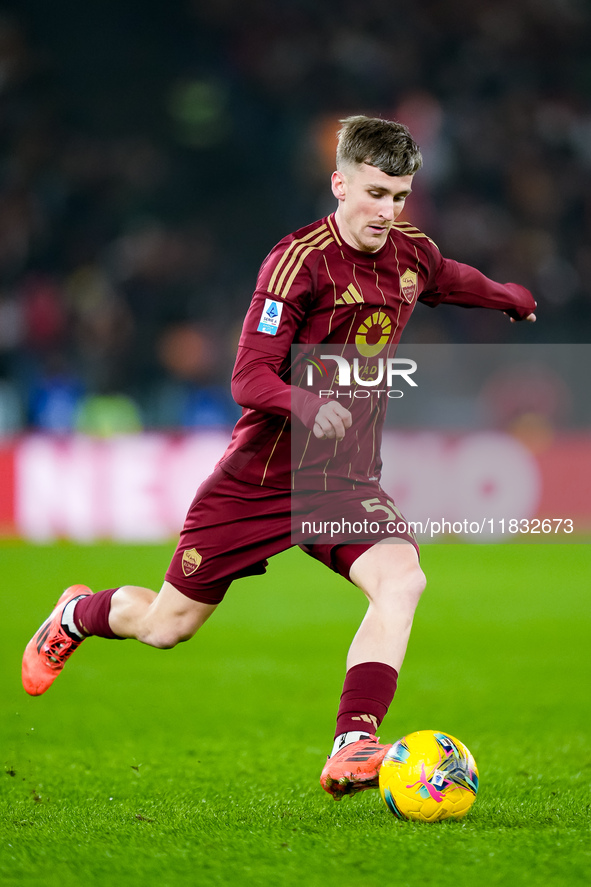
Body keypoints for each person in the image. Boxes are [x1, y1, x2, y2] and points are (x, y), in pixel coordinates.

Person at [22, 115, 536, 799]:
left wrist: (506, 297)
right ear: (339, 183)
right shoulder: (295, 263)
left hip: (342, 479)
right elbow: (247, 377)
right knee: (167, 625)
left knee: (401, 580)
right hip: (258, 480)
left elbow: (446, 277)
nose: (387, 211)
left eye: (400, 196)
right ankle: (75, 615)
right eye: (376, 193)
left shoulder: (410, 252)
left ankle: (354, 740)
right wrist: (302, 400)